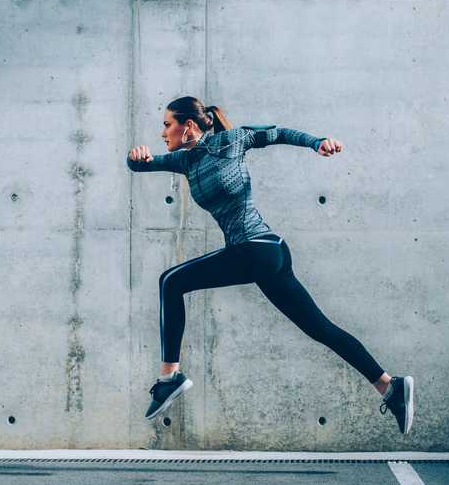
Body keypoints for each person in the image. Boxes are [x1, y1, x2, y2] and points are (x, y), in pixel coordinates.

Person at [126, 96, 414, 434]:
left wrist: (317, 142)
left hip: (258, 248)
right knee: (319, 328)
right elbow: (141, 165)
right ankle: (390, 386)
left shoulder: (231, 141)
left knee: (170, 281)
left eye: (166, 124)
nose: (162, 133)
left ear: (187, 125)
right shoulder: (185, 162)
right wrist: (135, 157)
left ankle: (169, 378)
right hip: (262, 255)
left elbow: (276, 133)